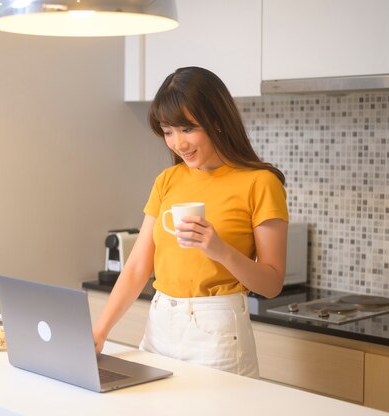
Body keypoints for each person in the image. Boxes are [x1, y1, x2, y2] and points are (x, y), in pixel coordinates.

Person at [92, 67, 288, 377]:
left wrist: (219, 249)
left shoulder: (260, 183)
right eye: (168, 131)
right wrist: (99, 331)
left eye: (187, 129)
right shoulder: (168, 180)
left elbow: (272, 283)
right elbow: (137, 269)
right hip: (159, 326)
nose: (178, 143)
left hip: (217, 336)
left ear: (218, 121)